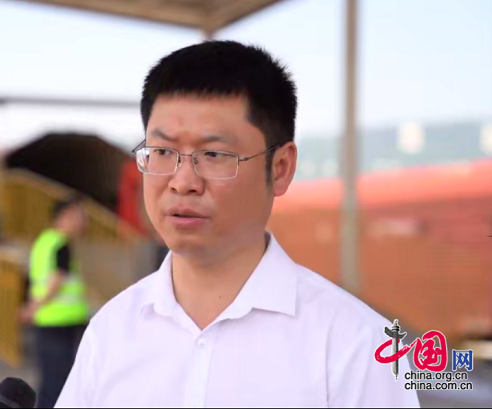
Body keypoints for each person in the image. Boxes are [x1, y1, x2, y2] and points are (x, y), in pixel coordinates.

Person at [56, 41, 419, 408]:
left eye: (214, 154)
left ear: (280, 168)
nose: (182, 182)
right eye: (163, 152)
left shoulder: (356, 344)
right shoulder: (110, 331)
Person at [21, 194, 91, 409]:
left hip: (46, 321)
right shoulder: (61, 244)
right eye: (79, 215)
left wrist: (32, 307)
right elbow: (56, 281)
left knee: (49, 381)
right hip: (64, 322)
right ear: (65, 216)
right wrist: (33, 306)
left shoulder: (44, 242)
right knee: (60, 384)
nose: (83, 220)